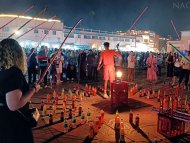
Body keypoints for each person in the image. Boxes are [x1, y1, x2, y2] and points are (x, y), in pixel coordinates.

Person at [0, 39, 40, 143]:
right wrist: (33, 90)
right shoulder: (13, 73)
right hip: (13, 126)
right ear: (17, 54)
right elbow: (14, 105)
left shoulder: (2, 71)